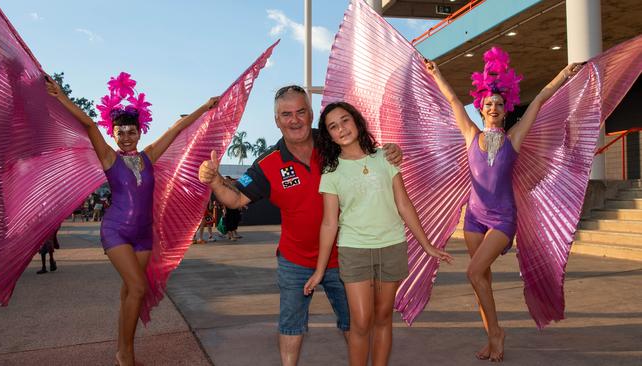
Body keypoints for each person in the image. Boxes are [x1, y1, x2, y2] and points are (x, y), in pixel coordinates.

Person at [198, 85, 402, 366]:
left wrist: (391, 151)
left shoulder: (332, 143)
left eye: (301, 112)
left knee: (356, 324)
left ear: (310, 114)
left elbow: (369, 155)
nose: (294, 120)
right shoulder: (267, 163)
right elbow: (234, 199)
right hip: (295, 261)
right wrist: (214, 180)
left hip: (345, 256)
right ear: (277, 120)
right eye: (286, 114)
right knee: (291, 327)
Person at [46, 72, 219, 366]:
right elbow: (88, 124)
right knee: (138, 288)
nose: (126, 137)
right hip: (116, 232)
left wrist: (205, 106)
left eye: (131, 132)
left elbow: (177, 128)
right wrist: (61, 96)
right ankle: (125, 355)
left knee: (130, 292)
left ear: (140, 132)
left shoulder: (149, 157)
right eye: (120, 132)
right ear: (113, 134)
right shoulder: (108, 158)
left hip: (143, 234)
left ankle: (123, 350)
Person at [425, 47, 583, 362]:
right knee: (481, 279)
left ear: (505, 108)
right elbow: (454, 101)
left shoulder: (513, 139)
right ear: (481, 109)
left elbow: (539, 101)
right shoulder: (471, 134)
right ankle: (492, 338)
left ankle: (496, 332)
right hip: (473, 217)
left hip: (502, 219)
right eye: (488, 104)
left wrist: (565, 74)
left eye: (499, 103)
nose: (494, 107)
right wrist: (435, 73)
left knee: (473, 272)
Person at [302, 101, 453, 366]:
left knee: (383, 317)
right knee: (360, 322)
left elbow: (404, 204)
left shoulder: (385, 158)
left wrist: (427, 245)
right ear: (329, 136)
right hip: (354, 250)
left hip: (391, 246)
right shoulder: (332, 171)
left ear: (357, 121)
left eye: (345, 120)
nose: (341, 129)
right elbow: (329, 222)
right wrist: (319, 270)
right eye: (333, 127)